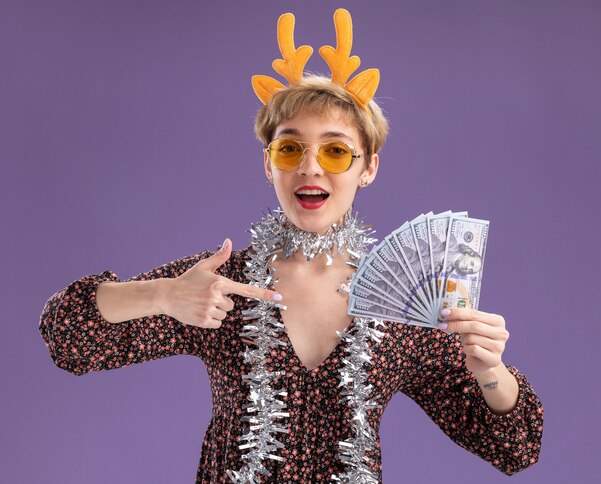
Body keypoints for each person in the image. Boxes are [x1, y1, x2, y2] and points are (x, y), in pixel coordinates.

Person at [39, 8, 543, 483]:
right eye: (289, 147)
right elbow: (68, 337)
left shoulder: (404, 302)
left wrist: (490, 369)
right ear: (269, 164)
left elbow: (515, 447)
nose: (310, 166)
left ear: (367, 167)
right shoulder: (218, 282)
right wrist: (163, 294)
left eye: (336, 150)